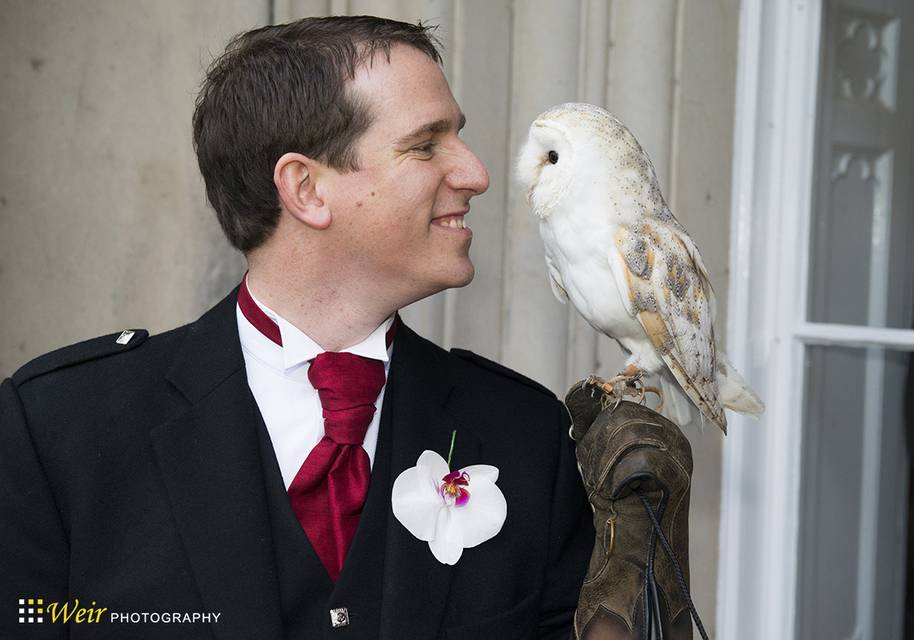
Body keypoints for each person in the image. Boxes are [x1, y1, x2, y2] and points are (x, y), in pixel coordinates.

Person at [0, 16, 592, 640]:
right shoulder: (59, 430)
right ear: (305, 188)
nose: (475, 174)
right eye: (426, 145)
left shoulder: (527, 437)